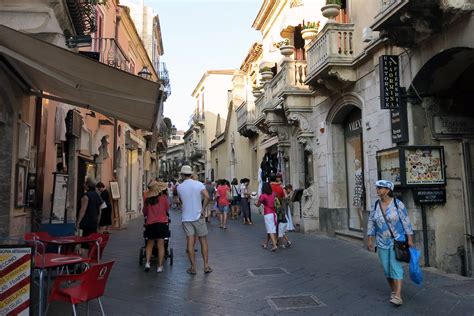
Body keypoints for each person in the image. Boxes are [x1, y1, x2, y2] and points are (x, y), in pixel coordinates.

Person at [367, 180, 414, 306]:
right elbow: (371, 222)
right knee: (386, 269)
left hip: (397, 240)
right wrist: (370, 239)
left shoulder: (398, 205)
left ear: (387, 190)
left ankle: (398, 296)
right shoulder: (376, 205)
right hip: (381, 241)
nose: (377, 190)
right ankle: (394, 290)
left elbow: (406, 222)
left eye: (380, 188)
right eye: (377, 188)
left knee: (395, 266)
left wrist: (410, 239)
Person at [177, 165, 212, 274]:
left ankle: (193, 267)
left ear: (182, 175)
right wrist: (203, 209)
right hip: (198, 216)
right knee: (203, 241)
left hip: (186, 218)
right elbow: (207, 196)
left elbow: (181, 202)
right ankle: (206, 266)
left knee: (190, 243)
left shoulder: (179, 187)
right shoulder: (199, 184)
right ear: (191, 174)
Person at [142, 181, 170, 273]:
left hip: (150, 224)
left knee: (149, 244)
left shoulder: (147, 200)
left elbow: (145, 212)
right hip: (162, 223)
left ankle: (147, 263)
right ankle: (159, 266)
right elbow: (167, 209)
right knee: (161, 245)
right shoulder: (163, 198)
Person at [77, 178, 102, 256]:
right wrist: (98, 223)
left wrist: (78, 221)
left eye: (85, 184)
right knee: (91, 242)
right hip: (94, 222)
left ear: (88, 185)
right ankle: (89, 260)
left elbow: (83, 209)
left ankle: (84, 263)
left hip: (87, 223)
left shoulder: (86, 196)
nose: (84, 185)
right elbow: (100, 211)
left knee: (84, 244)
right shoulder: (97, 195)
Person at [255, 182, 278, 251]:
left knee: (270, 230)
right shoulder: (274, 194)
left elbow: (258, 205)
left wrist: (255, 204)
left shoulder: (263, 196)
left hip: (268, 214)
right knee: (271, 229)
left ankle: (274, 245)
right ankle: (266, 243)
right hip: (274, 213)